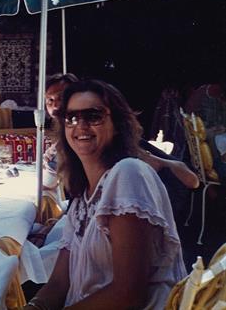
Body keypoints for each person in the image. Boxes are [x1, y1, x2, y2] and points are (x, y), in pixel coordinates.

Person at [25, 80, 186, 310]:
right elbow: (60, 282)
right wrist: (34, 307)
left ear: (117, 124)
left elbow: (128, 295)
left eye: (93, 115)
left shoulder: (128, 174)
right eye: (71, 117)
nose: (80, 125)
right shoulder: (82, 198)